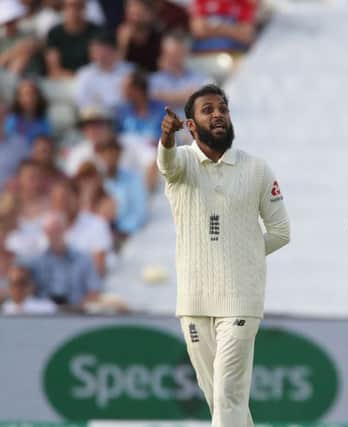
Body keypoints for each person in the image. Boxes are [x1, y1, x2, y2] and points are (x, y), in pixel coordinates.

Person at [157, 84, 290, 426]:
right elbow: (167, 164)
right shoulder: (182, 162)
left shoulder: (257, 169)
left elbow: (280, 232)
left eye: (222, 108)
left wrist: (239, 256)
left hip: (240, 299)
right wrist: (167, 140)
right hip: (194, 301)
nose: (217, 114)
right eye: (207, 110)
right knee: (219, 398)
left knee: (227, 392)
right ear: (190, 125)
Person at [27, 210, 102, 309]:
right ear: (44, 233)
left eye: (57, 230)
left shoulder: (83, 259)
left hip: (77, 313)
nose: (54, 235)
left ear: (65, 229)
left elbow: (94, 291)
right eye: (50, 231)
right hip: (44, 314)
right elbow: (27, 291)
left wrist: (77, 307)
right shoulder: (36, 262)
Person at [150, 32, 209, 118]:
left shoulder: (199, 78)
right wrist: (185, 96)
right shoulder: (153, 79)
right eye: (167, 53)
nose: (170, 57)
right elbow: (151, 99)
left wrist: (164, 96)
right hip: (160, 128)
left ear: (185, 53)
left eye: (175, 54)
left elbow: (202, 101)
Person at [74, 31, 133, 110]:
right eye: (94, 51)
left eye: (102, 50)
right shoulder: (84, 73)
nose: (99, 55)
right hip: (97, 116)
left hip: (126, 116)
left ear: (114, 50)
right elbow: (81, 101)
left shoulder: (130, 71)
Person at [45, 0, 101, 80]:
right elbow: (54, 69)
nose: (73, 10)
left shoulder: (96, 31)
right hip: (64, 80)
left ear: (84, 8)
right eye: (69, 6)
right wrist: (75, 77)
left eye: (78, 6)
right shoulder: (54, 33)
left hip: (91, 79)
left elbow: (99, 63)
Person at [116, 0, 162, 72]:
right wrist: (123, 44)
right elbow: (117, 66)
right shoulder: (122, 33)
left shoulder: (159, 35)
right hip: (128, 76)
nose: (135, 17)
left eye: (140, 12)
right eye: (133, 13)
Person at [5, 78, 52, 145]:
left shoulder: (44, 122)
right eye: (24, 95)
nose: (28, 98)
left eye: (31, 94)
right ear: (17, 98)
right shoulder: (11, 121)